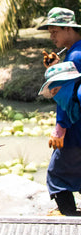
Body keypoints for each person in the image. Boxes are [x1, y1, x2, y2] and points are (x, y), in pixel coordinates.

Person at [38, 61, 81, 215]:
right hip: (75, 141)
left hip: (74, 144)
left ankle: (69, 214)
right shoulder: (72, 101)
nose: (56, 98)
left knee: (56, 175)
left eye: (56, 90)